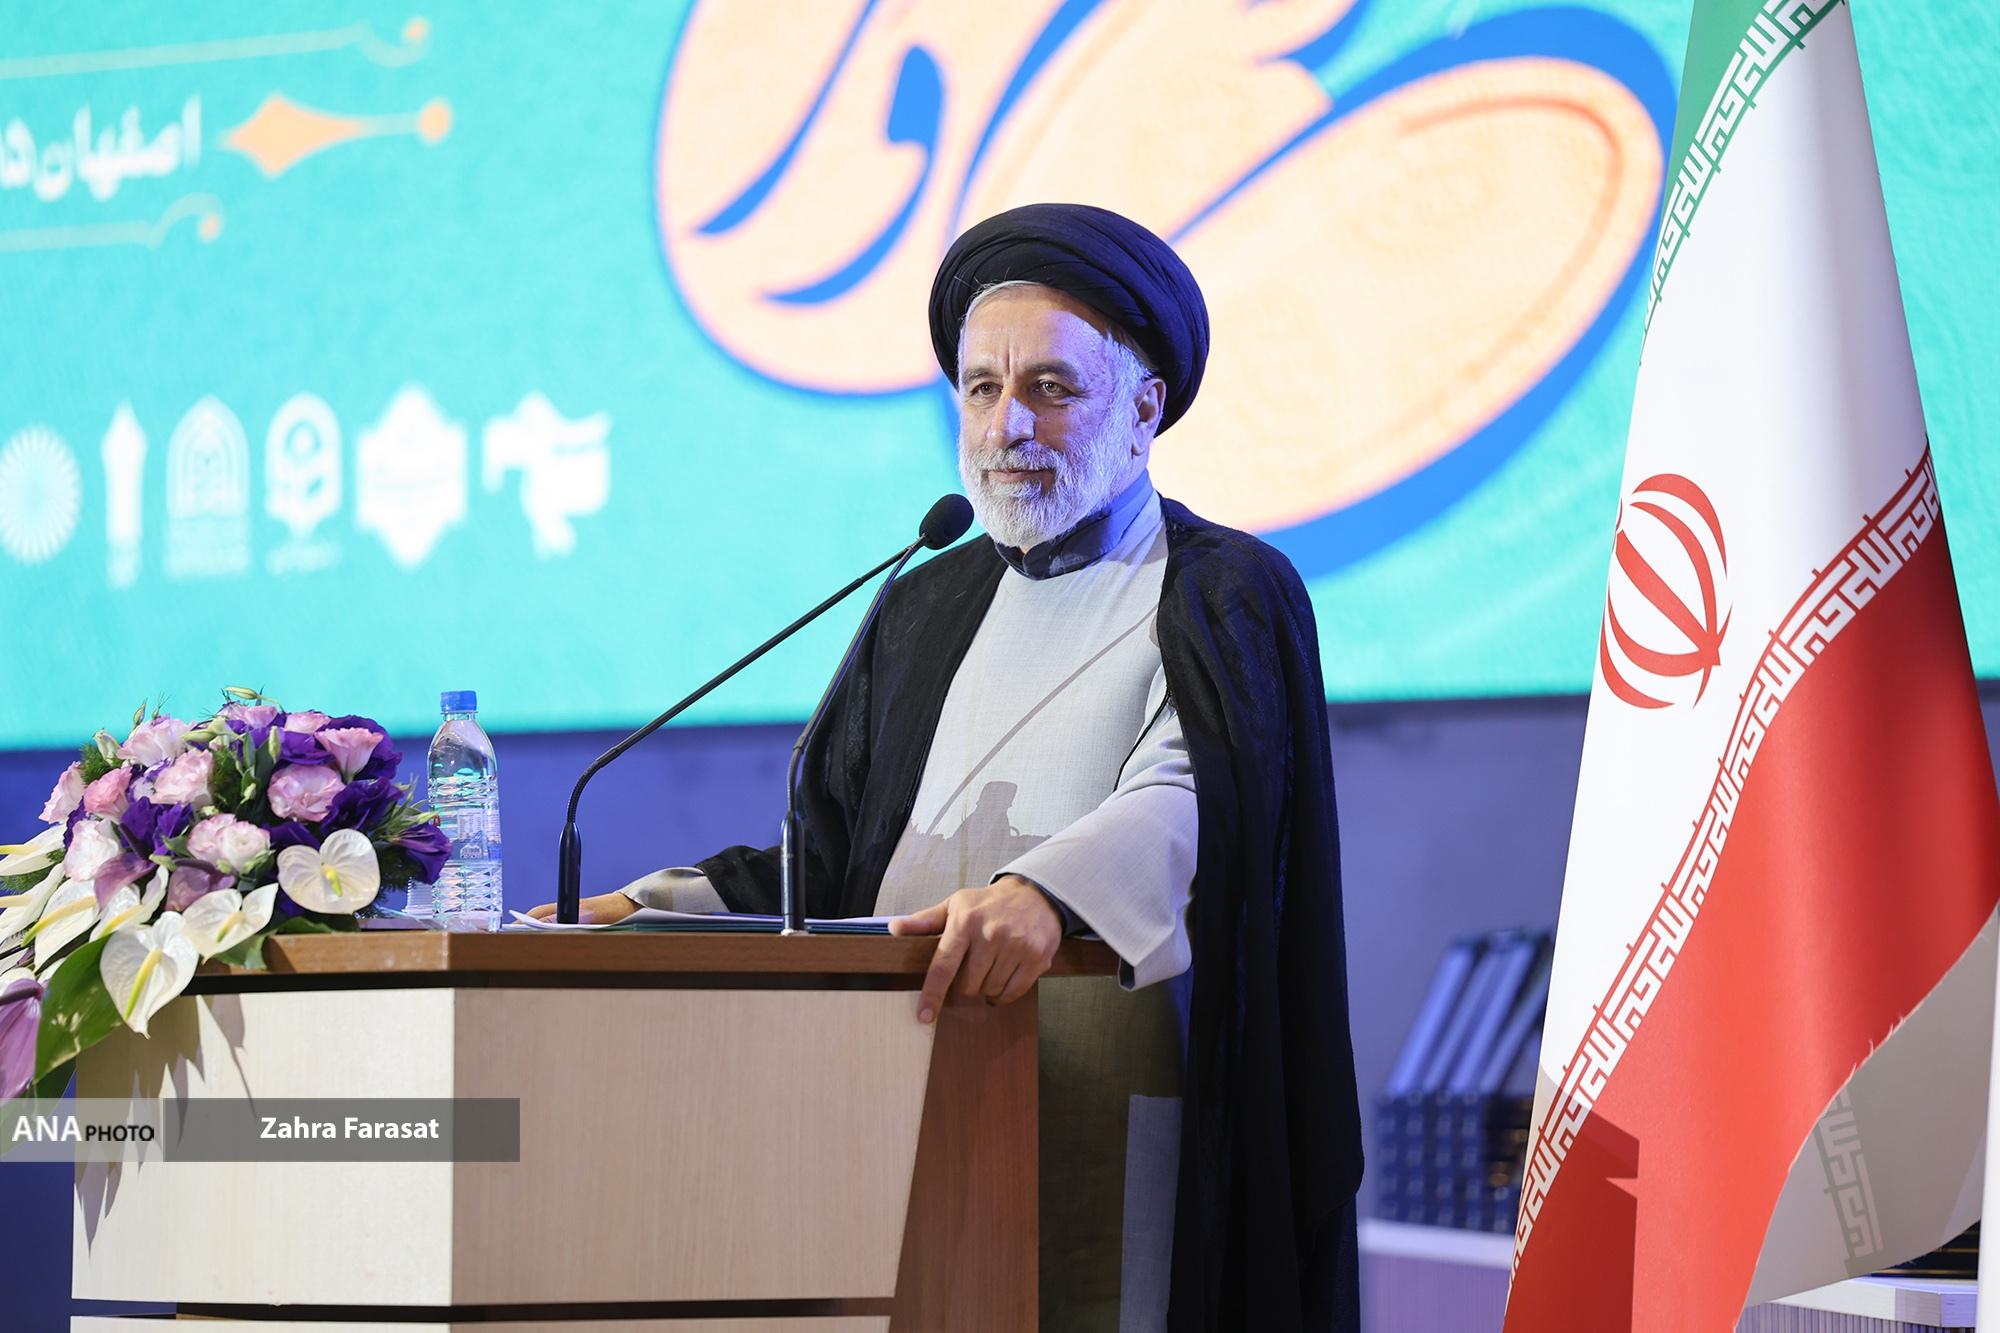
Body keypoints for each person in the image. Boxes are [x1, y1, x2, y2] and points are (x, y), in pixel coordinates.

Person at [532, 202, 1362, 1331]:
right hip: (886, 1078)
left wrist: (1046, 895)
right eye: (980, 388)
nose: (1007, 423)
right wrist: (640, 911)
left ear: (1142, 408)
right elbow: (828, 850)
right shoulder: (925, 599)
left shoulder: (1222, 588)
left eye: (1050, 388)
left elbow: (1193, 795)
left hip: (1104, 1072)